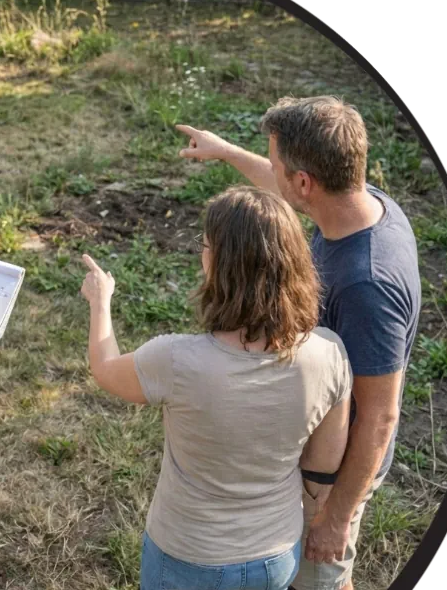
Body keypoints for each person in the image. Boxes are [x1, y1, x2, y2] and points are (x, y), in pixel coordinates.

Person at [176, 95, 422, 590]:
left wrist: (334, 517)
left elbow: (380, 415)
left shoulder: (365, 284)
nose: (272, 171)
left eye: (276, 163)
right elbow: (289, 189)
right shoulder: (362, 205)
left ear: (305, 181)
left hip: (333, 471)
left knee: (318, 579)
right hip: (314, 448)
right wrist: (227, 152)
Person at [80, 185, 353, 590]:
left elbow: (104, 368)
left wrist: (100, 301)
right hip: (275, 555)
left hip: (187, 556)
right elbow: (322, 467)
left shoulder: (175, 359)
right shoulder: (329, 354)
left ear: (221, 265)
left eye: (205, 245)